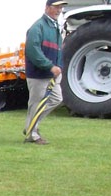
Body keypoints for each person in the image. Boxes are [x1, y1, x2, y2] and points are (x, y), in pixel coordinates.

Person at [24, 0, 66, 145]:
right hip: (38, 75)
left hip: (51, 75)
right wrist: (50, 66)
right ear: (47, 8)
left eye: (60, 7)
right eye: (56, 7)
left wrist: (58, 67)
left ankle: (31, 126)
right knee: (36, 104)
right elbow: (33, 51)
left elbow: (58, 51)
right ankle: (32, 134)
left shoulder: (54, 27)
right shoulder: (38, 27)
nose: (59, 10)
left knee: (56, 99)